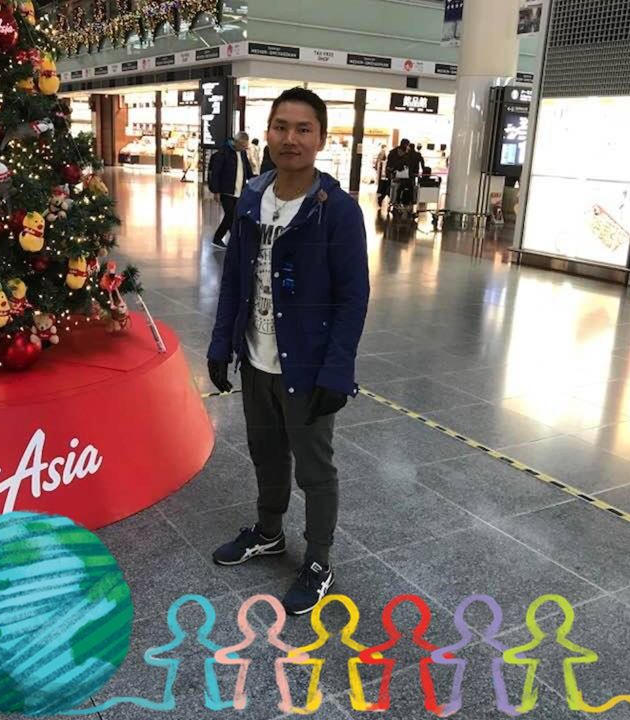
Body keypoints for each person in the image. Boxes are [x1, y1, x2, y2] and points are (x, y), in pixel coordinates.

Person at [206, 87, 370, 616]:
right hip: (256, 359)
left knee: (314, 469)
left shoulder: (337, 211)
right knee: (266, 453)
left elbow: (353, 297)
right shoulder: (253, 198)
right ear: (267, 133)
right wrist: (221, 344)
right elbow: (235, 278)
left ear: (321, 139)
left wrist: (337, 371)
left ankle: (318, 560)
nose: (290, 138)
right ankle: (269, 532)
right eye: (281, 127)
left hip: (307, 366)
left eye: (303, 129)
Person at [208, 132, 254, 249]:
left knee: (234, 216)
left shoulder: (242, 153)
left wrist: (255, 179)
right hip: (226, 191)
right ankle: (217, 238)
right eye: (242, 146)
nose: (244, 148)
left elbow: (247, 169)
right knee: (230, 216)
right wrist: (216, 191)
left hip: (238, 191)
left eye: (245, 146)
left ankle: (235, 238)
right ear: (236, 142)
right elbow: (216, 172)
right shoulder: (224, 152)